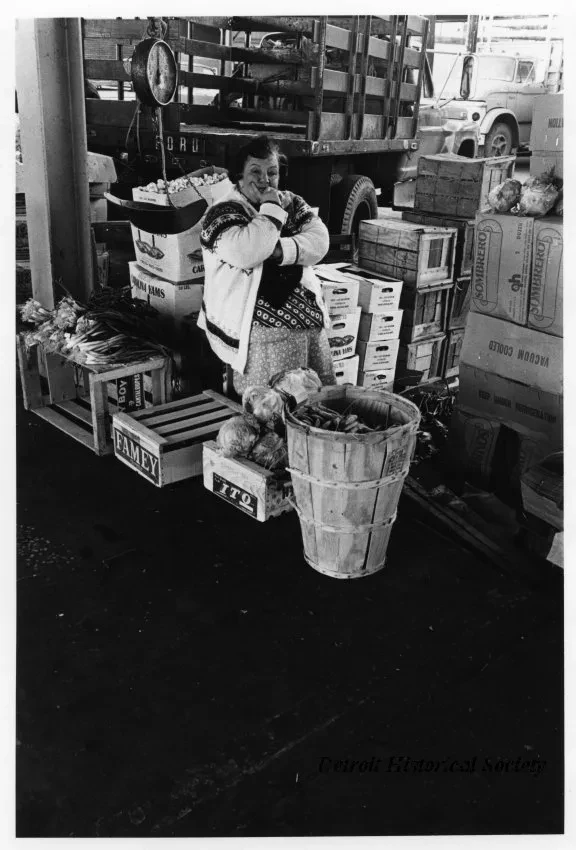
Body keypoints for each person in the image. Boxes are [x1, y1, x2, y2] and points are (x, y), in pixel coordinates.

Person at [198, 135, 336, 396]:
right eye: (255, 171)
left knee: (316, 402)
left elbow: (320, 242)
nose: (265, 179)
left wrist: (279, 249)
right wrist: (271, 208)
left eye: (272, 172)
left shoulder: (292, 202)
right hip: (256, 329)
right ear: (239, 174)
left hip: (308, 323)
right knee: (272, 407)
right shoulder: (222, 212)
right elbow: (247, 252)